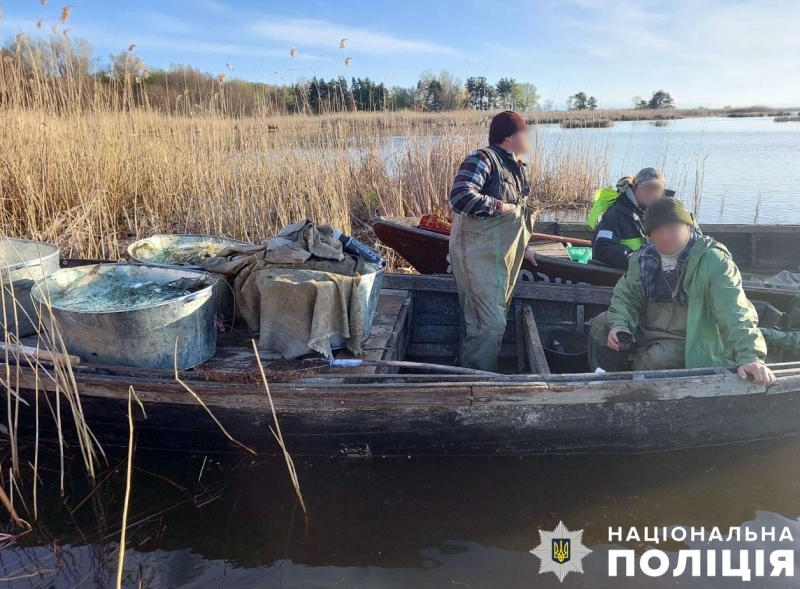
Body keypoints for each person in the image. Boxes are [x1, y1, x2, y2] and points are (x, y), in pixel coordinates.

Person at [589, 197, 776, 385]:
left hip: (692, 336)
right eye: (658, 231)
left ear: (688, 226)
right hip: (649, 328)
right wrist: (621, 326)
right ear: (650, 235)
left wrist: (749, 357)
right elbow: (626, 297)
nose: (666, 236)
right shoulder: (642, 259)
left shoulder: (713, 260)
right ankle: (608, 383)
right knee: (601, 325)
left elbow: (734, 310)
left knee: (654, 360)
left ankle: (639, 395)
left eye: (672, 228)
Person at [448, 111, 537, 371]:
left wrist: (524, 246)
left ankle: (474, 373)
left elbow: (514, 224)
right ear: (509, 137)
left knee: (491, 321)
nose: (530, 137)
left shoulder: (517, 169)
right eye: (525, 132)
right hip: (477, 258)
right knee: (488, 325)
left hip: (499, 258)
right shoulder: (483, 158)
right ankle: (475, 386)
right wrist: (502, 207)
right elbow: (459, 197)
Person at [591, 168, 669, 270]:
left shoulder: (667, 213)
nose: (652, 193)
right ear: (634, 187)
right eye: (647, 188)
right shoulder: (616, 214)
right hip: (625, 275)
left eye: (657, 189)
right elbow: (602, 248)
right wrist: (638, 259)